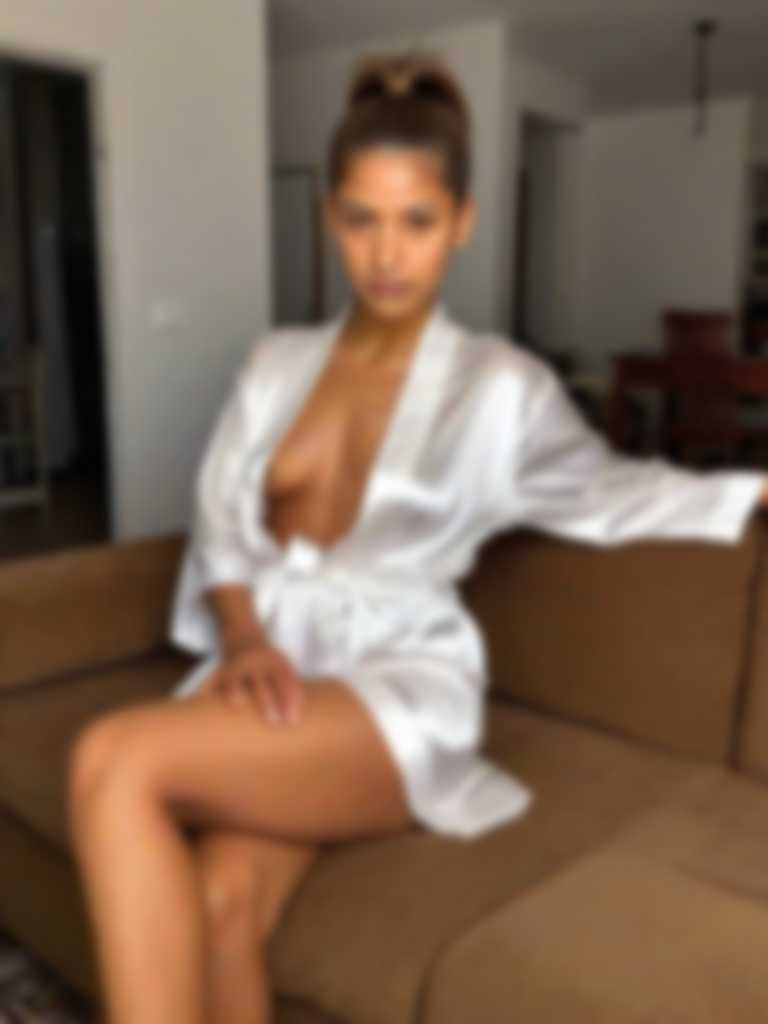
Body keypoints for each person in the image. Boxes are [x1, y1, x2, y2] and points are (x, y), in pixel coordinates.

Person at [66, 50, 768, 1024]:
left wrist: (755, 488)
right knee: (221, 905)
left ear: (462, 222)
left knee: (113, 759)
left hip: (397, 691)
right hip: (277, 672)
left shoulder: (500, 389)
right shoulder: (274, 365)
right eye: (362, 219)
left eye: (417, 221)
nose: (387, 255)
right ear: (331, 218)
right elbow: (223, 526)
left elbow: (616, 493)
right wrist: (247, 637)